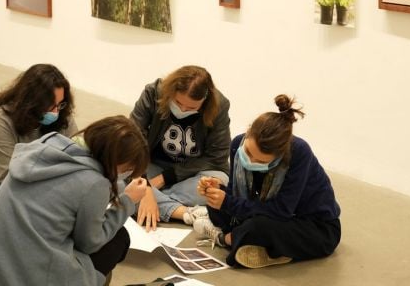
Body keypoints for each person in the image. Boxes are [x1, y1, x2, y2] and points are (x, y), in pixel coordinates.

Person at [0, 116, 149, 286]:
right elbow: (89, 243)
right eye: (126, 170)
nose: (126, 175)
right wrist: (127, 201)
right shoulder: (94, 184)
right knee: (118, 239)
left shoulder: (45, 146)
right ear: (116, 162)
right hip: (31, 276)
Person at [194, 94, 341, 269]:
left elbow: (281, 211)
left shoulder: (299, 153)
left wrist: (228, 202)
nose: (251, 161)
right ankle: (262, 246)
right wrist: (216, 190)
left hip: (313, 227)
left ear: (280, 155)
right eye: (248, 153)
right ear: (248, 132)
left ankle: (225, 239)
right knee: (215, 205)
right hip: (267, 212)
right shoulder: (237, 145)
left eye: (262, 162)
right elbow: (236, 195)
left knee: (257, 227)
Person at [0, 63, 78, 225]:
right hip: (0, 187)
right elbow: (10, 177)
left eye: (59, 104)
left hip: (48, 186)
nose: (55, 112)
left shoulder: (62, 115)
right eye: (50, 106)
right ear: (32, 102)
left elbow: (75, 157)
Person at [129, 65, 231, 230]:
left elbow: (216, 158)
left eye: (191, 108)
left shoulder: (219, 106)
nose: (182, 109)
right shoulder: (153, 92)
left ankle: (148, 200)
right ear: (170, 92)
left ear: (205, 101)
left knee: (218, 184)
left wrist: (163, 179)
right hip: (152, 164)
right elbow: (132, 140)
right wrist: (146, 186)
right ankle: (186, 213)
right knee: (119, 174)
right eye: (177, 102)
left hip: (192, 172)